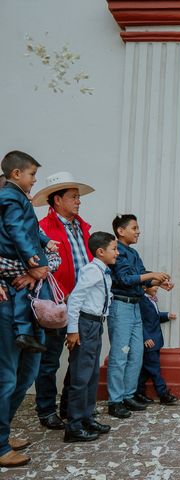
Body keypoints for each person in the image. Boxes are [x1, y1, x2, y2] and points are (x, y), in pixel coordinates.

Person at [31, 171, 95, 430]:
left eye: (78, 197)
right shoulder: (43, 229)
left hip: (83, 303)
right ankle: (46, 410)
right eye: (74, 197)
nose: (79, 201)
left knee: (80, 358)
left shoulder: (83, 227)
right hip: (58, 303)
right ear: (57, 200)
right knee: (50, 359)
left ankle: (71, 406)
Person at [0, 240, 61, 467]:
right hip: (6, 302)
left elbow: (55, 257)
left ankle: (2, 433)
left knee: (27, 375)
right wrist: (29, 269)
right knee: (7, 378)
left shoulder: (31, 225)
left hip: (33, 304)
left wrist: (38, 272)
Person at [107, 214, 172, 419]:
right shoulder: (117, 251)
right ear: (121, 231)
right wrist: (152, 275)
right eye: (134, 228)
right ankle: (115, 401)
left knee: (136, 353)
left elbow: (142, 279)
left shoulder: (133, 253)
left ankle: (129, 395)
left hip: (136, 306)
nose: (138, 231)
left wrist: (158, 283)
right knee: (120, 355)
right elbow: (125, 279)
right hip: (121, 306)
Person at [0, 151, 57, 352]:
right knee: (24, 291)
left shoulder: (15, 196)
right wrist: (28, 255)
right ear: (16, 173)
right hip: (17, 257)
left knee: (23, 293)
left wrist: (45, 242)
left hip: (23, 257)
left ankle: (27, 331)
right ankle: (40, 326)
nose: (34, 180)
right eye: (32, 174)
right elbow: (16, 229)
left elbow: (31, 230)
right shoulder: (11, 196)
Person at [64, 232, 118, 443]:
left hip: (96, 324)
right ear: (100, 251)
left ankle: (87, 417)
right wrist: (73, 330)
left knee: (92, 374)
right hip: (85, 325)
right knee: (81, 376)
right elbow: (76, 299)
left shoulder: (103, 271)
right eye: (114, 249)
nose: (117, 253)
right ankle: (74, 426)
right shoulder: (91, 271)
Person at [133, 284, 178, 406]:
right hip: (150, 341)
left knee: (146, 370)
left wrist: (167, 315)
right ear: (144, 287)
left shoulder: (151, 299)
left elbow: (154, 317)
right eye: (153, 286)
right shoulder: (142, 300)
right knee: (154, 369)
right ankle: (163, 394)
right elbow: (139, 320)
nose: (156, 288)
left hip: (156, 339)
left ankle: (138, 393)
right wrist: (145, 337)